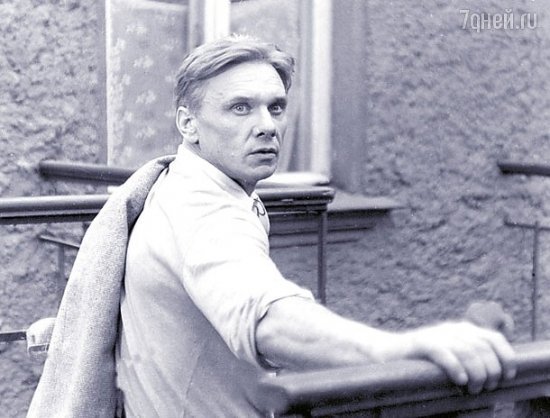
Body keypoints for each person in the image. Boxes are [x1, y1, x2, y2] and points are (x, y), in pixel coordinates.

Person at [114, 35, 516, 417]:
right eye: (240, 108)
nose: (267, 126)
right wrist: (396, 349)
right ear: (188, 124)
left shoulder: (187, 184)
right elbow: (266, 318)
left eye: (275, 108)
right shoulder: (203, 208)